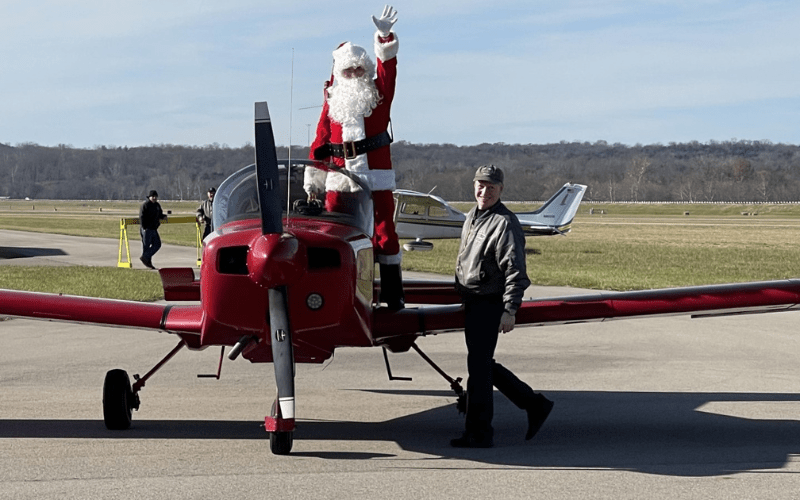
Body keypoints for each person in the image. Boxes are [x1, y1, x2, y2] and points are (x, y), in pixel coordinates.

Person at [303, 5, 404, 310]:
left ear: (367, 70)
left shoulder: (379, 95)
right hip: (338, 178)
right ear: (339, 73)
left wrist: (384, 37)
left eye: (359, 69)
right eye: (348, 70)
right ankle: (339, 292)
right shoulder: (332, 102)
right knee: (336, 233)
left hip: (376, 176)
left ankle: (392, 296)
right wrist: (314, 179)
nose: (354, 74)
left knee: (385, 234)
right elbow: (320, 140)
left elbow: (389, 69)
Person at [451, 165, 554, 448]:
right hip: (471, 300)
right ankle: (534, 404)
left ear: (501, 190)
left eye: (491, 188)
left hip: (489, 302)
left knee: (479, 369)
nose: (484, 192)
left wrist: (510, 310)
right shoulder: (473, 216)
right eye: (480, 186)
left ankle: (479, 433)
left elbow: (515, 271)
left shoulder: (505, 223)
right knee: (482, 364)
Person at [139, 190, 167, 269]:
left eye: (155, 196)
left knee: (157, 244)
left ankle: (145, 257)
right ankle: (148, 262)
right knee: (146, 246)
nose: (154, 198)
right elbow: (141, 217)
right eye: (152, 196)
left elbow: (159, 214)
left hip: (154, 228)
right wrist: (144, 227)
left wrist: (163, 216)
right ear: (149, 197)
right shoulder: (145, 205)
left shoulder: (157, 205)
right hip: (147, 228)